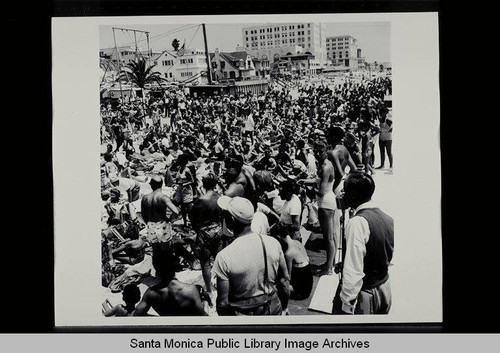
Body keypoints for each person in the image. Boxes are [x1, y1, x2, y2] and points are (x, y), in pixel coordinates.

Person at [212, 196, 290, 316]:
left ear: (232, 220)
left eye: (225, 214)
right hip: (272, 308)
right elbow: (284, 281)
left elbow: (223, 303)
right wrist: (284, 308)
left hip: (244, 315)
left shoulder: (224, 256)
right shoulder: (273, 243)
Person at [333, 171, 394, 315]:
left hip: (366, 294)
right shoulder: (387, 218)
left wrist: (346, 303)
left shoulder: (357, 223)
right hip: (384, 287)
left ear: (353, 195)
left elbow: (353, 269)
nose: (342, 194)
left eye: (345, 191)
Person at [133, 249, 209, 316]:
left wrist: (159, 319)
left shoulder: (151, 293)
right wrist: (205, 301)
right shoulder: (190, 290)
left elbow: (137, 315)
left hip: (168, 329)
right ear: (174, 265)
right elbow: (204, 317)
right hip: (187, 329)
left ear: (155, 267)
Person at [189, 174, 224, 294]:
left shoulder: (201, 200)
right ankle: (221, 287)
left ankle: (209, 290)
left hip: (205, 232)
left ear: (203, 184)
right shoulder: (220, 197)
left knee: (205, 263)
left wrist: (198, 230)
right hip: (218, 230)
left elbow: (192, 217)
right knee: (219, 261)